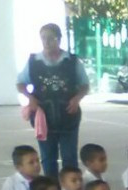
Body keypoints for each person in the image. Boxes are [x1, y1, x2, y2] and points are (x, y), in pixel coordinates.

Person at [16, 23, 90, 177]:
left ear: (59, 39)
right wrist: (30, 98)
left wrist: (77, 98)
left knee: (69, 158)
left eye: (51, 38)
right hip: (44, 119)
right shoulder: (33, 62)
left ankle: (70, 188)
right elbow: (20, 83)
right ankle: (51, 188)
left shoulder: (72, 61)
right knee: (48, 158)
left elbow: (84, 85)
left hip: (68, 117)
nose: (47, 42)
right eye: (43, 38)